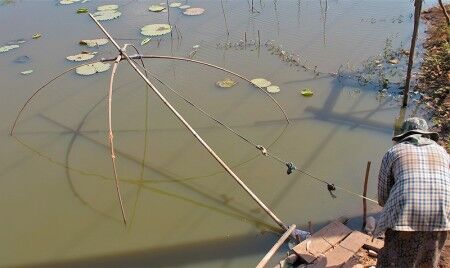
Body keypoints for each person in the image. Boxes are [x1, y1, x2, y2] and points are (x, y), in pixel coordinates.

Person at [375, 117, 450, 268]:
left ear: (404, 135)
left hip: (406, 213)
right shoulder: (443, 152)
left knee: (394, 259)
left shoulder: (394, 151)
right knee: (429, 258)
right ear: (426, 135)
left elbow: (383, 196)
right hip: (443, 212)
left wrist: (390, 207)